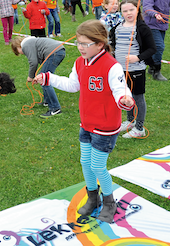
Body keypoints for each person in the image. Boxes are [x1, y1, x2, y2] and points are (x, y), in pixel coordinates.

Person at [33, 20, 134, 223]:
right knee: (85, 164)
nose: (80, 47)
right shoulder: (80, 62)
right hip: (86, 124)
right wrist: (49, 78)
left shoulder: (111, 66)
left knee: (98, 166)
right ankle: (92, 198)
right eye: (79, 42)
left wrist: (125, 100)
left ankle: (109, 202)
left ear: (100, 44)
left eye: (85, 43)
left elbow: (120, 90)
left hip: (105, 127)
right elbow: (72, 85)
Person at [109, 0, 156, 138]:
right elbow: (112, 44)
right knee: (126, 95)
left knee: (137, 97)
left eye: (131, 9)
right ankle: (130, 121)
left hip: (136, 70)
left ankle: (139, 128)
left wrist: (138, 57)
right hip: (120, 69)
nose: (128, 13)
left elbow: (152, 48)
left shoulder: (141, 27)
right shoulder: (117, 27)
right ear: (121, 12)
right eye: (125, 11)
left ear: (137, 9)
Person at [11, 35, 65, 118]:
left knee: (44, 80)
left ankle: (55, 108)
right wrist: (38, 75)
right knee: (43, 77)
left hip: (54, 53)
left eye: (18, 51)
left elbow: (33, 62)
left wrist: (30, 76)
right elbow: (40, 61)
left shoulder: (25, 45)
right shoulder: (31, 42)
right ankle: (47, 101)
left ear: (18, 46)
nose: (21, 53)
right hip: (58, 51)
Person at [142, 0, 170, 81]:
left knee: (156, 47)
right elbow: (147, 7)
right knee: (159, 46)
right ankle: (156, 71)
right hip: (152, 23)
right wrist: (155, 14)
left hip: (163, 23)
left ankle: (151, 67)